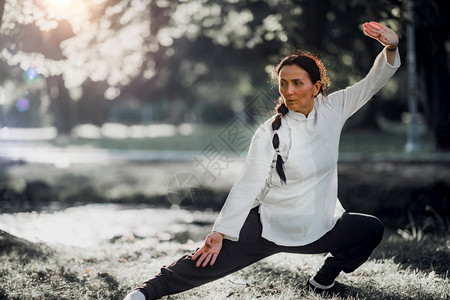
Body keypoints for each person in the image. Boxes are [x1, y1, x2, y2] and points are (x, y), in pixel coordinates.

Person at [124, 21, 400, 300]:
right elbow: (248, 184)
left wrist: (391, 46)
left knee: (369, 229)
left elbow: (372, 83)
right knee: (208, 259)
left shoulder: (334, 108)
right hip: (270, 226)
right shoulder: (270, 131)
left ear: (316, 87)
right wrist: (220, 231)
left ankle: (322, 282)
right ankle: (146, 292)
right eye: (283, 84)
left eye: (297, 83)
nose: (289, 91)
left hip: (320, 226)